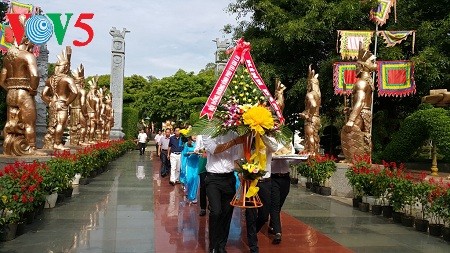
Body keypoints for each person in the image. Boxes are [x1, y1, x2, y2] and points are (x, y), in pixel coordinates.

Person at [0, 19, 39, 155]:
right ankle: (32, 148)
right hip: (23, 93)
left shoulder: (7, 58)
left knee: (11, 122)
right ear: (26, 40)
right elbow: (34, 76)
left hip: (10, 93)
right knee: (29, 123)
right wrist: (32, 90)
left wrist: (11, 87)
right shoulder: (27, 56)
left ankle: (9, 148)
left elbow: (1, 81)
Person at [203, 132, 247, 253]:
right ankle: (213, 245)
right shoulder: (207, 133)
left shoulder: (233, 134)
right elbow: (214, 149)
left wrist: (245, 171)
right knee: (216, 212)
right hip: (213, 179)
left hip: (229, 179)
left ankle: (222, 245)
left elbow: (236, 159)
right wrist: (235, 141)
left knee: (227, 213)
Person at [245, 136, 280, 253]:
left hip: (265, 181)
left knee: (264, 215)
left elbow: (274, 147)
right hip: (250, 181)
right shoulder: (248, 139)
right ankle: (253, 246)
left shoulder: (269, 138)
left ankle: (252, 231)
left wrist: (262, 134)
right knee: (250, 214)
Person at [269, 142, 295, 244]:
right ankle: (278, 232)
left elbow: (292, 159)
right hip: (273, 177)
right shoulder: (269, 141)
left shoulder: (287, 142)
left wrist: (303, 158)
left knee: (279, 203)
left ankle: (272, 224)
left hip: (285, 178)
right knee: (275, 204)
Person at [299, 65, 321, 155]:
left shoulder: (310, 94)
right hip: (317, 117)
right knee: (314, 136)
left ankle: (311, 153)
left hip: (311, 119)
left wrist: (308, 116)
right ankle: (313, 151)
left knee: (310, 136)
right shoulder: (318, 95)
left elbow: (313, 105)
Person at [183, 136, 199, 204]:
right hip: (189, 164)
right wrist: (189, 153)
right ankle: (188, 192)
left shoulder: (199, 144)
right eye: (193, 135)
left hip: (197, 164)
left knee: (195, 179)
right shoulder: (187, 144)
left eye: (196, 135)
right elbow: (184, 153)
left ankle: (194, 197)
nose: (195, 136)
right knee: (189, 179)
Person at [194, 135, 208, 216]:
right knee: (203, 186)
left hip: (213, 161)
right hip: (203, 160)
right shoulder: (200, 136)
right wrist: (200, 150)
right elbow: (196, 148)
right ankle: (203, 207)